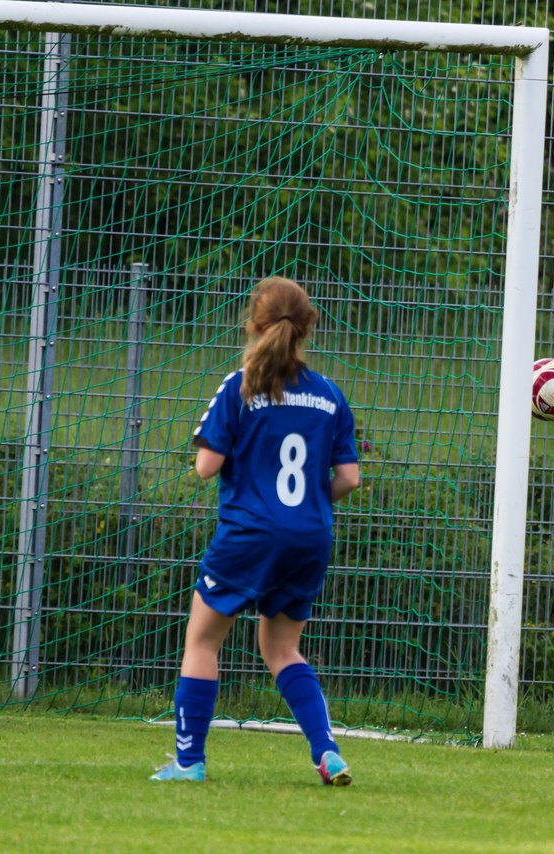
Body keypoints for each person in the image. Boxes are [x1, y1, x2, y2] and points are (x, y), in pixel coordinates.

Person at [150, 276, 361, 785]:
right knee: (283, 649)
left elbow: (206, 467)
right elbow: (350, 477)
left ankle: (188, 762)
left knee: (202, 640)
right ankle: (327, 751)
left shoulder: (240, 385)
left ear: (253, 324)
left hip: (250, 533)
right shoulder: (330, 395)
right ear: (308, 326)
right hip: (310, 536)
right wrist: (310, 502)